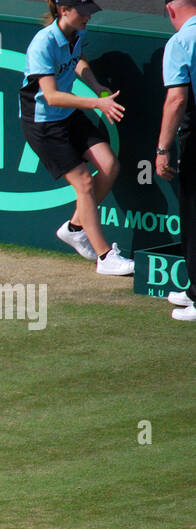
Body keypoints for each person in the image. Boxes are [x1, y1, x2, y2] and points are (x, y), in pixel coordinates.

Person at [20, 0, 134, 275]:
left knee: (109, 166)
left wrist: (96, 87)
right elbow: (51, 95)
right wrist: (98, 104)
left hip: (68, 115)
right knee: (83, 182)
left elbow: (78, 60)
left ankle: (74, 228)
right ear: (63, 11)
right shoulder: (42, 44)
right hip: (44, 123)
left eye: (89, 11)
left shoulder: (77, 33)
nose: (87, 17)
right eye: (82, 12)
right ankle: (105, 257)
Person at [157, 0, 196, 321]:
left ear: (171, 9)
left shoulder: (180, 42)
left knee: (194, 213)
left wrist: (162, 148)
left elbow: (177, 98)